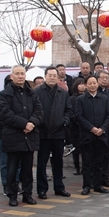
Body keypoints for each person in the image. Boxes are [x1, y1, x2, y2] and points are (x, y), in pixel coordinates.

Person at [0, 66, 43, 207]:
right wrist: (24, 124)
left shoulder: (32, 93)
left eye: (22, 74)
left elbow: (39, 111)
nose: (20, 76)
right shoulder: (4, 94)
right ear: (12, 76)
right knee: (12, 168)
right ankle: (12, 195)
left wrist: (32, 123)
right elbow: (5, 114)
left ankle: (27, 194)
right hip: (13, 136)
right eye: (17, 74)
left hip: (30, 136)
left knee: (28, 169)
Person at [34, 67, 72, 200]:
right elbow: (34, 110)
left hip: (58, 132)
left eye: (54, 75)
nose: (52, 78)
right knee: (42, 162)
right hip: (43, 133)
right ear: (45, 76)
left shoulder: (63, 92)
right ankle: (42, 189)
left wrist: (64, 121)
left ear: (57, 77)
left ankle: (59, 187)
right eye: (49, 75)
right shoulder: (37, 92)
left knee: (58, 162)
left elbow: (68, 110)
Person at [75, 75, 109, 196]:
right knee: (87, 163)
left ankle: (98, 185)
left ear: (97, 84)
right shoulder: (81, 99)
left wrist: (102, 128)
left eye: (94, 83)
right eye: (90, 83)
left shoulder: (104, 98)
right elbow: (79, 116)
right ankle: (86, 185)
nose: (92, 85)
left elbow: (108, 115)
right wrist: (92, 128)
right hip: (87, 136)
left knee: (99, 162)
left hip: (101, 135)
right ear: (86, 85)